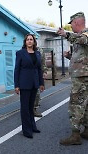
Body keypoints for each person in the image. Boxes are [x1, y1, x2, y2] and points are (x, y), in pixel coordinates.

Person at [57, 12, 88, 146]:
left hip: (82, 77)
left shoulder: (85, 35)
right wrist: (70, 57)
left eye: (72, 25)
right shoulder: (80, 38)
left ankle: (75, 135)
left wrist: (66, 34)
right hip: (82, 74)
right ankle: (86, 130)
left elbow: (82, 39)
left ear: (76, 22)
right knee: (85, 105)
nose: (71, 27)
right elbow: (83, 59)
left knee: (75, 105)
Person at [14, 34, 44, 138]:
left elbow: (39, 69)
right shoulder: (20, 53)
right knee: (25, 108)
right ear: (25, 42)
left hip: (34, 83)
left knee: (31, 107)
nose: (30, 41)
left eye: (31, 39)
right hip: (24, 84)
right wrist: (16, 85)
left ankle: (32, 126)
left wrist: (41, 83)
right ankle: (26, 130)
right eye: (28, 40)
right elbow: (17, 69)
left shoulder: (38, 53)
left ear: (34, 41)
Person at [34, 47, 48, 117]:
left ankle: (34, 109)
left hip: (37, 74)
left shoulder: (39, 51)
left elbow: (43, 63)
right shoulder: (23, 50)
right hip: (27, 76)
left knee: (37, 93)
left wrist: (44, 71)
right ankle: (27, 109)